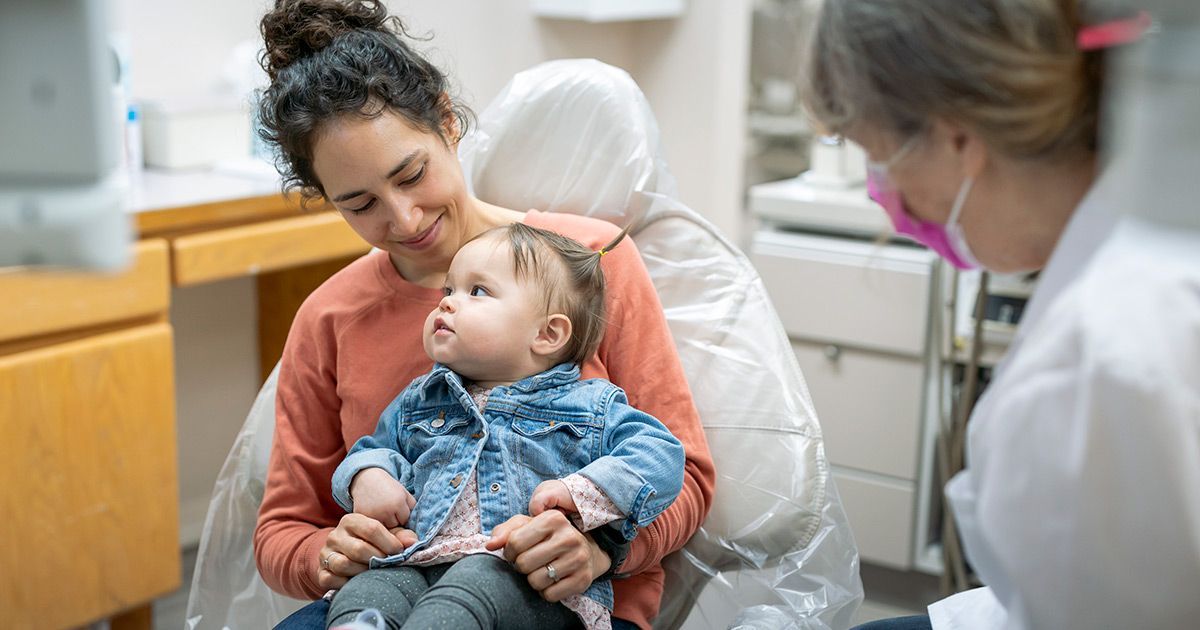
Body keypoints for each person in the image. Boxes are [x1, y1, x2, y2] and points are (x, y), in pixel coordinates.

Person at [252, 2, 716, 629]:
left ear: (446, 121)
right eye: (360, 205)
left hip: (555, 605)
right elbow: (282, 530)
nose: (405, 220)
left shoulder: (588, 262)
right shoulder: (330, 317)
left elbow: (684, 476)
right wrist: (327, 556)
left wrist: (601, 550)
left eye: (412, 175)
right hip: (388, 596)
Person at [801, 1, 1200, 629]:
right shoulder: (1140, 231)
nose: (887, 198)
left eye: (878, 155)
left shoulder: (1094, 364)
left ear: (958, 137)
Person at [325, 223, 685, 629]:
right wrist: (368, 475)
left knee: (473, 586)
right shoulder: (418, 401)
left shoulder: (591, 406)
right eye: (448, 291)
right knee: (368, 590)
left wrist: (580, 493)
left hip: (523, 580)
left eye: (477, 292)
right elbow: (371, 449)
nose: (446, 304)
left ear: (547, 333)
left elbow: (660, 452)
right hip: (418, 561)